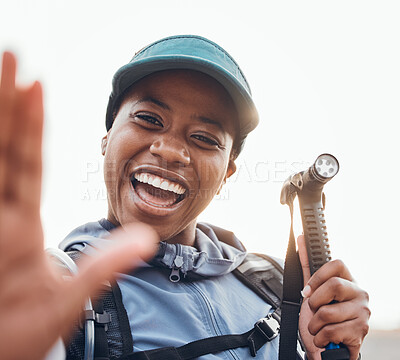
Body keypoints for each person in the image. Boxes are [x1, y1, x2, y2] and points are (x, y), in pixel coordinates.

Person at [0, 35, 370, 360]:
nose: (171, 151)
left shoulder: (279, 285)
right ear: (107, 136)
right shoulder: (55, 291)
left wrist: (321, 350)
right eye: (148, 118)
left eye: (205, 138)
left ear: (226, 173)